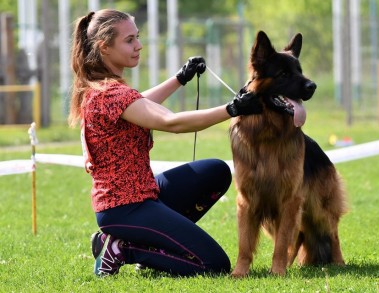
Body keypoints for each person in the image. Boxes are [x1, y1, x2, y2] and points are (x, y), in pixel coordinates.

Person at [68, 9, 262, 277]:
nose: (139, 45)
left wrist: (180, 78)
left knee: (215, 172)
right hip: (125, 209)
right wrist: (232, 109)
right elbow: (171, 122)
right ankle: (123, 249)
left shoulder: (105, 90)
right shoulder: (110, 94)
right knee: (214, 265)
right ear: (105, 47)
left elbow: (139, 102)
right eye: (129, 40)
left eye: (138, 37)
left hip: (143, 194)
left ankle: (151, 249)